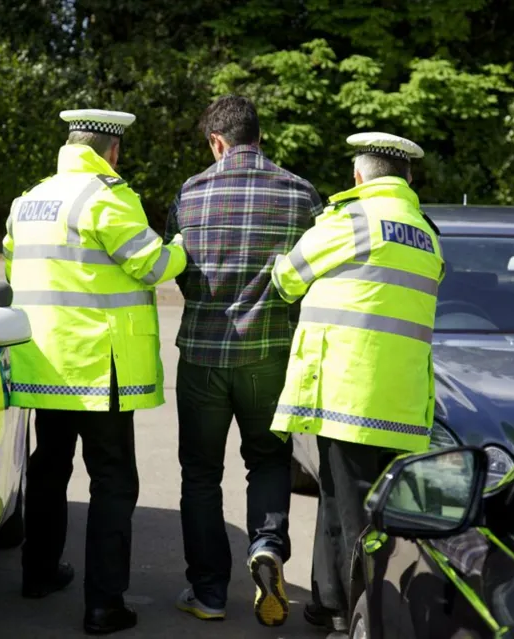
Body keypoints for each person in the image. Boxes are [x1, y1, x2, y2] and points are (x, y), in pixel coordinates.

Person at [3, 108, 187, 635]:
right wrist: (182, 247)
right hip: (98, 365)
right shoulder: (106, 197)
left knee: (49, 468)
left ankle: (38, 574)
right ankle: (104, 604)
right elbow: (153, 266)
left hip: (44, 363)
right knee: (112, 481)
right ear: (113, 150)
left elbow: (16, 263)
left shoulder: (29, 199)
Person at [269, 132, 445, 634]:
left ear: (357, 177)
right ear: (408, 178)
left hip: (348, 394)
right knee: (352, 507)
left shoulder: (351, 220)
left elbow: (288, 279)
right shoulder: (426, 232)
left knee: (352, 518)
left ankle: (358, 613)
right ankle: (328, 600)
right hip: (404, 400)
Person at [164, 95, 324, 627]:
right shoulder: (301, 194)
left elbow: (181, 271)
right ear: (260, 137)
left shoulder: (190, 192)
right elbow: (312, 272)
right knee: (269, 461)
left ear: (216, 141)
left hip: (204, 355)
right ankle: (267, 548)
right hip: (271, 357)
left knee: (201, 474)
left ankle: (208, 591)